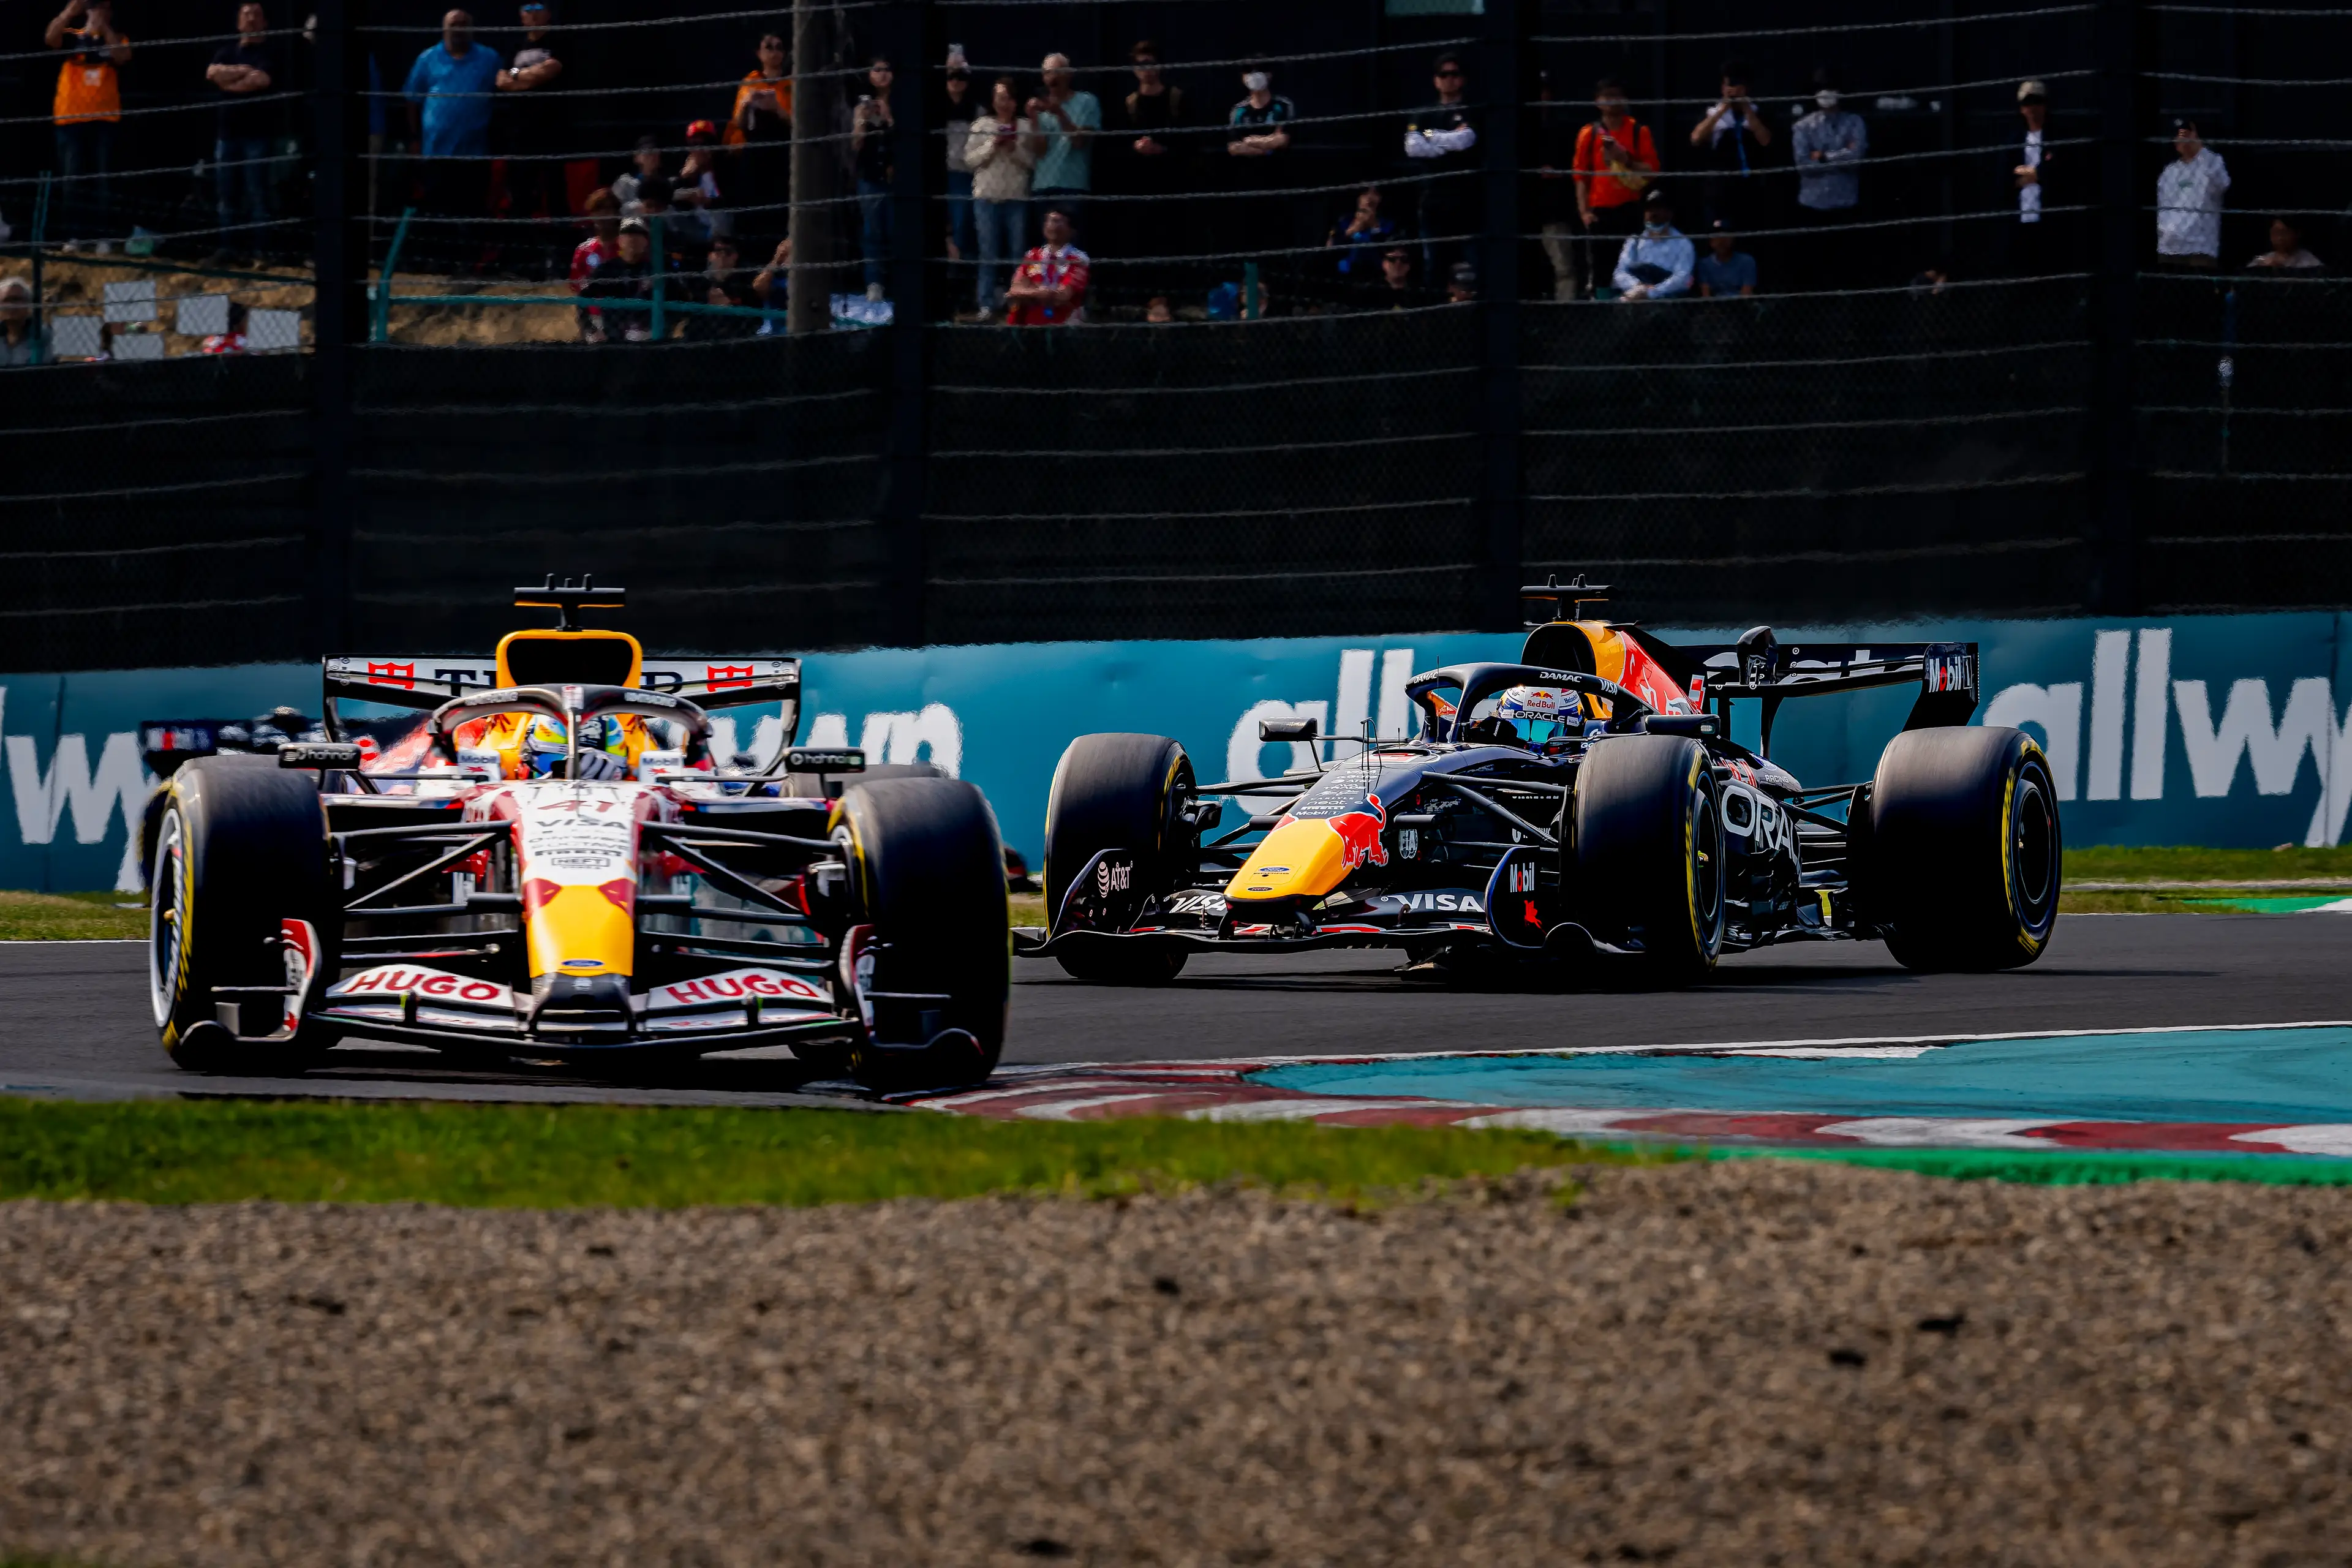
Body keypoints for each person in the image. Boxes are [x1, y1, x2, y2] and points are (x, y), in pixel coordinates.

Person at [403, 10, 503, 264]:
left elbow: (504, 90)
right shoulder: (427, 59)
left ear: (472, 28)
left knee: (473, 209)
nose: (458, 29)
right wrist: (414, 138)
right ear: (443, 28)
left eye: (463, 24)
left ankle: (472, 264)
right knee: (438, 209)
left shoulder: (489, 58)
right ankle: (440, 264)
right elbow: (412, 100)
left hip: (475, 151)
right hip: (436, 151)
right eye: (453, 24)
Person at [45, 0, 132, 252]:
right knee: (72, 180)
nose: (97, 10)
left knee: (103, 180)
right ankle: (75, 237)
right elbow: (51, 40)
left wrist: (103, 29)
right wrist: (69, 11)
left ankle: (103, 237)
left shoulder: (117, 37)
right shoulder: (73, 35)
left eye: (103, 6)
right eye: (92, 6)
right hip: (71, 118)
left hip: (104, 120)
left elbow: (122, 56)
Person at [493, 1, 567, 274]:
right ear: (521, 16)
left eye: (539, 6)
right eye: (527, 7)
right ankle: (521, 261)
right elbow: (501, 81)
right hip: (519, 134)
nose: (533, 12)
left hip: (551, 131)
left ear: (549, 13)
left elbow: (552, 70)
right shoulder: (513, 46)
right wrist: (528, 77)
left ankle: (561, 260)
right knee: (520, 197)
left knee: (556, 196)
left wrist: (518, 78)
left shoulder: (560, 40)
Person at [205, 3, 281, 266]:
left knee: (257, 192)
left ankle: (261, 252)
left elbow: (262, 80)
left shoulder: (270, 51)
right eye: (245, 15)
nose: (250, 20)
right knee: (226, 194)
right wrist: (242, 73)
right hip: (227, 134)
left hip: (257, 134)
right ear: (238, 23)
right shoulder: (227, 50)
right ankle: (228, 249)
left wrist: (230, 82)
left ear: (265, 23)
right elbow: (211, 73)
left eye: (256, 15)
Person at [1572, 77, 1658, 303]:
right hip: (1600, 212)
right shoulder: (1588, 134)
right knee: (1601, 270)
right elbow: (1581, 176)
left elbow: (1651, 171)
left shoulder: (1639, 131)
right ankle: (1603, 313)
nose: (1613, 101)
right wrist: (1584, 213)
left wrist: (1626, 160)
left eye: (1617, 95)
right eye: (1607, 96)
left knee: (1632, 267)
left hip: (1631, 209)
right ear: (1597, 102)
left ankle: (1628, 313)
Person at [965, 77, 1039, 315]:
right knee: (988, 254)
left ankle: (1017, 304)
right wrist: (992, 144)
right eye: (999, 97)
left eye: (1007, 97)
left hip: (1016, 198)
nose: (1003, 103)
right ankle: (986, 304)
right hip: (986, 198)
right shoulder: (981, 124)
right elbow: (969, 160)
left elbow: (1033, 163)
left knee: (1018, 253)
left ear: (1015, 101)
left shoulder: (1026, 127)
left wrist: (1013, 149)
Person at [1115, 40, 1190, 271]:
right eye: (1139, 64)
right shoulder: (1129, 103)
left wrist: (1163, 149)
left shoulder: (1177, 98)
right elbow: (1118, 145)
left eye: (1149, 63)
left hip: (1172, 181)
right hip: (1139, 183)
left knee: (1171, 237)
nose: (1144, 68)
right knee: (1141, 237)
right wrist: (1136, 148)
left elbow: (1190, 143)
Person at [1404, 51, 1480, 278]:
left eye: (1454, 74)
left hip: (1466, 200)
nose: (1449, 79)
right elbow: (1413, 145)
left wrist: (1432, 138)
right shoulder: (1425, 114)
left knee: (1473, 263)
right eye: (1443, 74)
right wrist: (1443, 137)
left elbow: (1465, 139)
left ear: (1462, 78)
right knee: (1434, 262)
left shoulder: (1471, 109)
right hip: (1433, 199)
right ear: (1435, 80)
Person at [1790, 68, 1865, 288]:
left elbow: (1857, 158)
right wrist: (1842, 153)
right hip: (1813, 207)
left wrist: (1823, 156)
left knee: (1846, 271)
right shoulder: (1803, 127)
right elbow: (1803, 165)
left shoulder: (1855, 123)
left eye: (1831, 88)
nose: (1826, 93)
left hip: (1845, 206)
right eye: (1822, 89)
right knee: (1813, 271)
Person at [725, 32, 793, 252]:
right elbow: (738, 123)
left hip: (782, 155)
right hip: (754, 155)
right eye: (769, 47)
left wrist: (777, 109)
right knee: (751, 213)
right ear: (759, 53)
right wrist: (746, 104)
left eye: (779, 47)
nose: (774, 52)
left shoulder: (792, 84)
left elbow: (800, 125)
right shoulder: (750, 81)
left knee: (778, 213)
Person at [1226, 64, 1298, 272]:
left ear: (1269, 74)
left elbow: (1282, 140)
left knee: (1279, 240)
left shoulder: (1282, 105)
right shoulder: (1239, 111)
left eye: (1259, 71)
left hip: (1278, 182)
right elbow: (1233, 147)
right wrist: (1266, 144)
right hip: (1247, 185)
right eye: (1248, 72)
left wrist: (1252, 141)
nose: (1254, 76)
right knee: (1250, 240)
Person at [1690, 58, 1772, 238]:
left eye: (1738, 86)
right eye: (1729, 85)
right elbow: (1696, 138)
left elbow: (1765, 140)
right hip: (1719, 190)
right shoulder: (1712, 114)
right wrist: (1723, 108)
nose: (1733, 90)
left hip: (1750, 190)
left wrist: (1746, 108)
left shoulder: (1758, 113)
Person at [1028, 53, 1100, 245]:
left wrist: (1059, 113)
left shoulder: (1086, 101)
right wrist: (1034, 119)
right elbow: (1040, 151)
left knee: (1073, 247)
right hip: (1043, 186)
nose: (1053, 78)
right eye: (1048, 73)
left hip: (1073, 185)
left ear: (1069, 75)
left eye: (1057, 72)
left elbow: (1080, 143)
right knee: (1045, 251)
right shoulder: (1039, 108)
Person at [2011, 80, 2069, 275]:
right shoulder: (2015, 141)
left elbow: (2060, 172)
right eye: (2027, 103)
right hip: (2021, 220)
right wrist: (2038, 173)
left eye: (2037, 102)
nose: (2033, 108)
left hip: (2050, 220)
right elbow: (2007, 177)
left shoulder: (2057, 137)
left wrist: (2034, 174)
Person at [2155, 118, 2229, 270]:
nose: (2183, 140)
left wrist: (2199, 150)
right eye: (2179, 136)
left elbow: (2223, 184)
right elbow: (2162, 208)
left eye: (2187, 134)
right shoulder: (2169, 172)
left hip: (2200, 248)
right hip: (2170, 247)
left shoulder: (2212, 161)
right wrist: (2166, 233)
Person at [580, 215, 666, 342]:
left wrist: (661, 328)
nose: (632, 238)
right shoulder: (606, 269)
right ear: (619, 240)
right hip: (612, 336)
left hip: (646, 339)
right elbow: (582, 299)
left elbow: (679, 299)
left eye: (638, 234)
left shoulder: (654, 271)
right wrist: (590, 329)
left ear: (646, 241)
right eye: (627, 234)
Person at [851, 56, 895, 300]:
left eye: (887, 69)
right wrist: (862, 120)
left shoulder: (899, 103)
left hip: (896, 179)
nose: (882, 74)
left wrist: (888, 117)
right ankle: (874, 282)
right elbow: (855, 145)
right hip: (869, 176)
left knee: (895, 229)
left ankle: (896, 281)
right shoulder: (862, 107)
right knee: (872, 231)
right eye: (877, 70)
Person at [1006, 205, 1089, 325]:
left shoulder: (1079, 259)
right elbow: (1014, 290)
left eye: (1057, 222)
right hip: (1029, 325)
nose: (1052, 225)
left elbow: (1063, 296)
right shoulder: (1032, 255)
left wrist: (1029, 294)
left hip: (1063, 325)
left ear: (1072, 231)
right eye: (1048, 221)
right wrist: (1042, 293)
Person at [1613, 189, 1694, 300]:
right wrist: (1638, 287)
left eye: (1659, 209)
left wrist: (1653, 292)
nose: (1653, 213)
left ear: (1669, 213)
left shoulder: (1683, 243)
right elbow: (1620, 272)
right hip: (1636, 293)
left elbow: (1683, 278)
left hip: (1667, 296)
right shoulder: (1634, 241)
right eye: (1649, 209)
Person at [941, 61, 978, 269]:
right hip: (937, 173)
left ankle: (958, 273)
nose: (956, 81)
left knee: (962, 223)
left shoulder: (977, 109)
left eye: (961, 77)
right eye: (951, 76)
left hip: (965, 173)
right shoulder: (934, 107)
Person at [1326, 187, 1397, 281]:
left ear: (1381, 199)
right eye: (1365, 193)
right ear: (1359, 197)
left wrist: (1376, 228)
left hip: (1378, 277)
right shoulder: (1344, 221)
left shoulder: (1388, 224)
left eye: (1375, 193)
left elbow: (1393, 254)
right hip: (1344, 277)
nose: (1370, 197)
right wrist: (1350, 232)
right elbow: (1329, 250)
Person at [1694, 220, 1757, 296]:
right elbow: (1706, 296)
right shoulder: (1704, 264)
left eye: (1725, 235)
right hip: (1715, 305)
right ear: (1710, 241)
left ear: (1733, 238)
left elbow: (1746, 294)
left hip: (1741, 305)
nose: (1721, 240)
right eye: (1716, 236)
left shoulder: (1747, 261)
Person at [0, 277, 46, 368]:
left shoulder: (44, 335)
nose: (11, 306)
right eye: (6, 300)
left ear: (28, 304)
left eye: (16, 300)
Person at [2247, 216, 2321, 271]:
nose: (2280, 238)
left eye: (2284, 233)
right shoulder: (2264, 259)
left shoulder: (2309, 261)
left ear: (2297, 234)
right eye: (2276, 233)